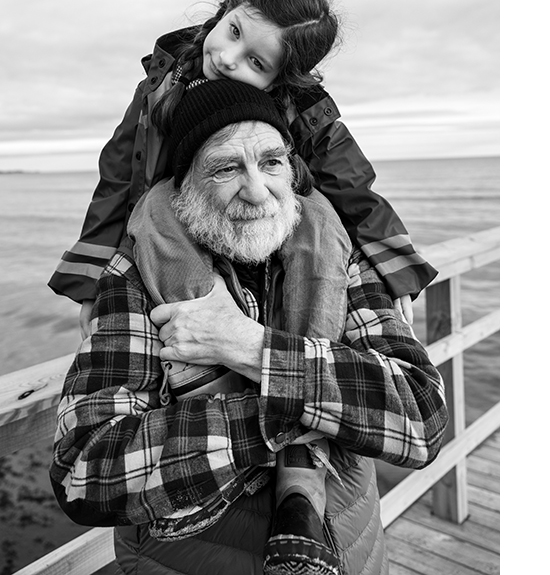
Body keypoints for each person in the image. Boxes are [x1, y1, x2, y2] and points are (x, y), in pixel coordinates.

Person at [50, 80, 448, 575]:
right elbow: (89, 470)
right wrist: (303, 412)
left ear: (292, 168)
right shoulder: (137, 274)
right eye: (225, 167)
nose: (258, 190)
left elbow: (419, 416)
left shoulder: (340, 255)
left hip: (353, 549)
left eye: (272, 161)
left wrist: (248, 345)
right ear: (184, 185)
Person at [47, 0, 437, 340]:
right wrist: (91, 280)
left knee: (319, 222)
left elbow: (348, 177)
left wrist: (395, 265)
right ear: (227, 8)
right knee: (155, 213)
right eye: (234, 31)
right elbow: (120, 170)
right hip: (189, 201)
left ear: (279, 79)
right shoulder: (161, 84)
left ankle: (307, 349)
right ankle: (199, 352)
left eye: (256, 62)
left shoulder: (301, 105)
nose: (228, 58)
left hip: (268, 207)